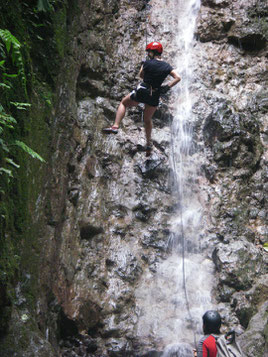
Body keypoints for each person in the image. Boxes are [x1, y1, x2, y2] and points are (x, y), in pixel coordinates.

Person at [102, 41, 181, 156]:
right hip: (155, 94)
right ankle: (148, 145)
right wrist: (166, 87)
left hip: (143, 90)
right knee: (147, 120)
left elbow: (141, 75)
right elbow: (178, 77)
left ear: (153, 52)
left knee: (124, 103)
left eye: (149, 52)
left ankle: (115, 126)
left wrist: (144, 65)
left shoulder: (147, 63)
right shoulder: (166, 66)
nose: (148, 54)